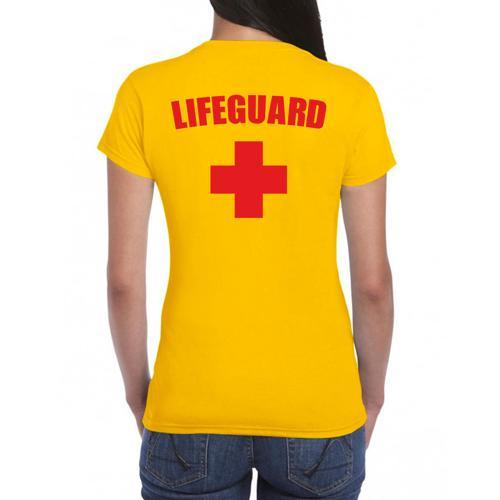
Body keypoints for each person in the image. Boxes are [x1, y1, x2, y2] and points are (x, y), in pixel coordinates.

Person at [97, 1, 395, 498]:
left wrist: (138, 395)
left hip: (188, 407)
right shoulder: (349, 96)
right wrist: (372, 396)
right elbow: (373, 284)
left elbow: (122, 282)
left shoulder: (146, 92)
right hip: (319, 410)